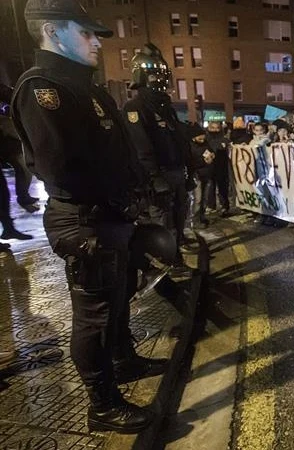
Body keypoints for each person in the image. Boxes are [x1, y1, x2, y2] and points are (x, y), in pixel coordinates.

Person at [10, 0, 167, 433]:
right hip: (85, 221)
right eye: (87, 33)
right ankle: (102, 404)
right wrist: (117, 200)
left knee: (117, 303)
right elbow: (63, 169)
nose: (98, 41)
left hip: (109, 215)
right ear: (52, 32)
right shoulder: (45, 87)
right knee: (94, 315)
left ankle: (124, 359)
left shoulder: (84, 86)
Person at [123, 43, 192, 253]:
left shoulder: (166, 106)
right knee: (163, 218)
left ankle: (178, 243)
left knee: (181, 211)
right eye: (154, 75)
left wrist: (189, 169)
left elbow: (179, 140)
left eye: (161, 75)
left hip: (176, 171)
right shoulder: (134, 108)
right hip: (158, 175)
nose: (159, 80)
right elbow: (141, 145)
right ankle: (168, 258)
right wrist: (154, 176)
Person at [0, 84, 39, 213]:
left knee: (23, 166)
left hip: (4, 137)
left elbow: (8, 94)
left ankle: (23, 198)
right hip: (4, 135)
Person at [188, 126, 214, 229]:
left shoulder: (206, 143)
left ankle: (202, 217)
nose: (202, 140)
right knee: (197, 199)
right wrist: (204, 161)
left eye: (203, 137)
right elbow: (191, 162)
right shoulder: (189, 146)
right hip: (197, 175)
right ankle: (195, 220)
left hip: (207, 174)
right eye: (200, 138)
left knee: (204, 198)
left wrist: (212, 155)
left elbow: (211, 151)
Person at [205, 120, 231, 216]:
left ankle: (225, 206)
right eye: (212, 128)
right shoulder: (205, 140)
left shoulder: (225, 140)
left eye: (217, 128)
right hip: (209, 168)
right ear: (208, 128)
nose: (215, 130)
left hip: (222, 168)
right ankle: (211, 206)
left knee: (223, 189)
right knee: (210, 188)